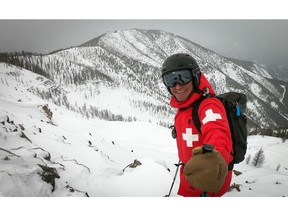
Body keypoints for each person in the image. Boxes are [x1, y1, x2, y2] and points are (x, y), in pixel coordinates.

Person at [161, 53, 233, 197]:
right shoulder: (185, 106)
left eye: (184, 77)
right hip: (189, 177)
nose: (177, 86)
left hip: (205, 182)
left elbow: (217, 131)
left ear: (195, 77)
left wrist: (215, 158)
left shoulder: (209, 105)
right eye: (171, 80)